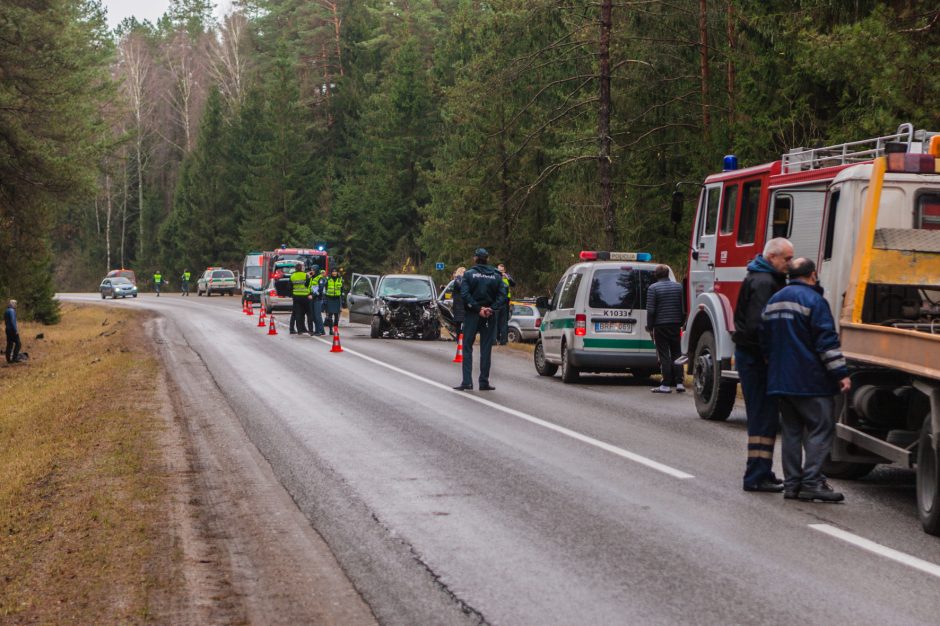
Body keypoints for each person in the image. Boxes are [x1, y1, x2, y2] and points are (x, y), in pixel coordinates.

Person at [761, 258, 851, 502]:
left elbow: (765, 341)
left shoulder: (773, 301)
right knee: (821, 429)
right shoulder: (815, 301)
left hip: (781, 380)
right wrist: (841, 374)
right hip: (811, 381)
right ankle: (812, 482)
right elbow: (826, 343)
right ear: (812, 275)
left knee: (791, 432)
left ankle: (792, 485)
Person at [733, 237, 793, 493]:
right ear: (772, 258)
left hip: (754, 357)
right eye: (786, 259)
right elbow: (760, 325)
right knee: (761, 418)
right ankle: (755, 476)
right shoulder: (764, 282)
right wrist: (769, 356)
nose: (790, 264)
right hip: (756, 360)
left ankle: (762, 471)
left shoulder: (765, 278)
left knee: (766, 418)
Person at [454, 248, 508, 391]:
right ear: (487, 259)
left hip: (473, 314)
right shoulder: (496, 275)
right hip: (489, 315)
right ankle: (483, 381)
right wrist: (491, 308)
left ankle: (467, 381)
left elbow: (464, 294)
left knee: (467, 346)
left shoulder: (469, 274)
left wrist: (478, 309)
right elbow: (503, 295)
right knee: (486, 348)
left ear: (475, 259)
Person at [645, 265, 685, 393]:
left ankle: (666, 384)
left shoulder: (653, 288)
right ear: (668, 274)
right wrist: (682, 322)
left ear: (656, 275)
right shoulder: (679, 287)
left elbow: (651, 310)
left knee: (664, 355)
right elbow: (683, 306)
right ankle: (679, 383)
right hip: (675, 324)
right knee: (677, 353)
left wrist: (650, 326)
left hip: (660, 325)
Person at [495, 263, 516, 345]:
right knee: (496, 321)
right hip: (496, 300)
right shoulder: (495, 276)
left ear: (504, 270)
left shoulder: (507, 276)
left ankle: (503, 340)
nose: (500, 272)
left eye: (502, 270)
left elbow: (513, 283)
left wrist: (506, 276)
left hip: (505, 301)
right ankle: (496, 338)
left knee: (504, 321)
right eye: (499, 270)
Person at [289, 262, 311, 335]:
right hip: (305, 296)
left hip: (296, 296)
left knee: (298, 313)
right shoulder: (305, 275)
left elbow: (289, 287)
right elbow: (309, 285)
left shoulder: (292, 276)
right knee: (308, 313)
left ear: (295, 268)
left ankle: (299, 330)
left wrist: (292, 294)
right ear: (301, 268)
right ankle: (310, 329)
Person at [324, 268, 344, 333]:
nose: (334, 273)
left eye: (335, 272)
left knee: (336, 316)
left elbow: (342, 289)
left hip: (337, 299)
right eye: (333, 272)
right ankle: (330, 330)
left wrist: (342, 299)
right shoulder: (328, 279)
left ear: (337, 272)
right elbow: (325, 289)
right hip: (329, 298)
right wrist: (325, 299)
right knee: (330, 316)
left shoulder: (340, 279)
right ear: (331, 273)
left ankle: (335, 330)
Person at [308, 265, 325, 336]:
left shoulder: (320, 278)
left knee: (317, 316)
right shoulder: (312, 278)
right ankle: (318, 330)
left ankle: (320, 331)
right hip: (312, 298)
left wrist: (313, 295)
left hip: (317, 299)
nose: (311, 271)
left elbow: (320, 290)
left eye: (313, 270)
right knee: (313, 316)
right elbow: (309, 287)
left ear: (316, 270)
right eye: (311, 269)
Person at [451, 267, 466, 337]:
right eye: (464, 272)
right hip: (459, 304)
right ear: (460, 272)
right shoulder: (458, 279)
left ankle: (460, 337)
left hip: (460, 304)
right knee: (459, 322)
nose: (465, 273)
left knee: (461, 322)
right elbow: (461, 287)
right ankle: (459, 338)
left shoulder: (460, 279)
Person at [5, 299, 21, 364]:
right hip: (12, 330)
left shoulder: (7, 310)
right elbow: (12, 321)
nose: (16, 305)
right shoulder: (12, 311)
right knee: (18, 343)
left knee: (9, 344)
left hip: (8, 329)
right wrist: (15, 330)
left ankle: (8, 359)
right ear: (12, 304)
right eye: (15, 304)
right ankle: (15, 358)